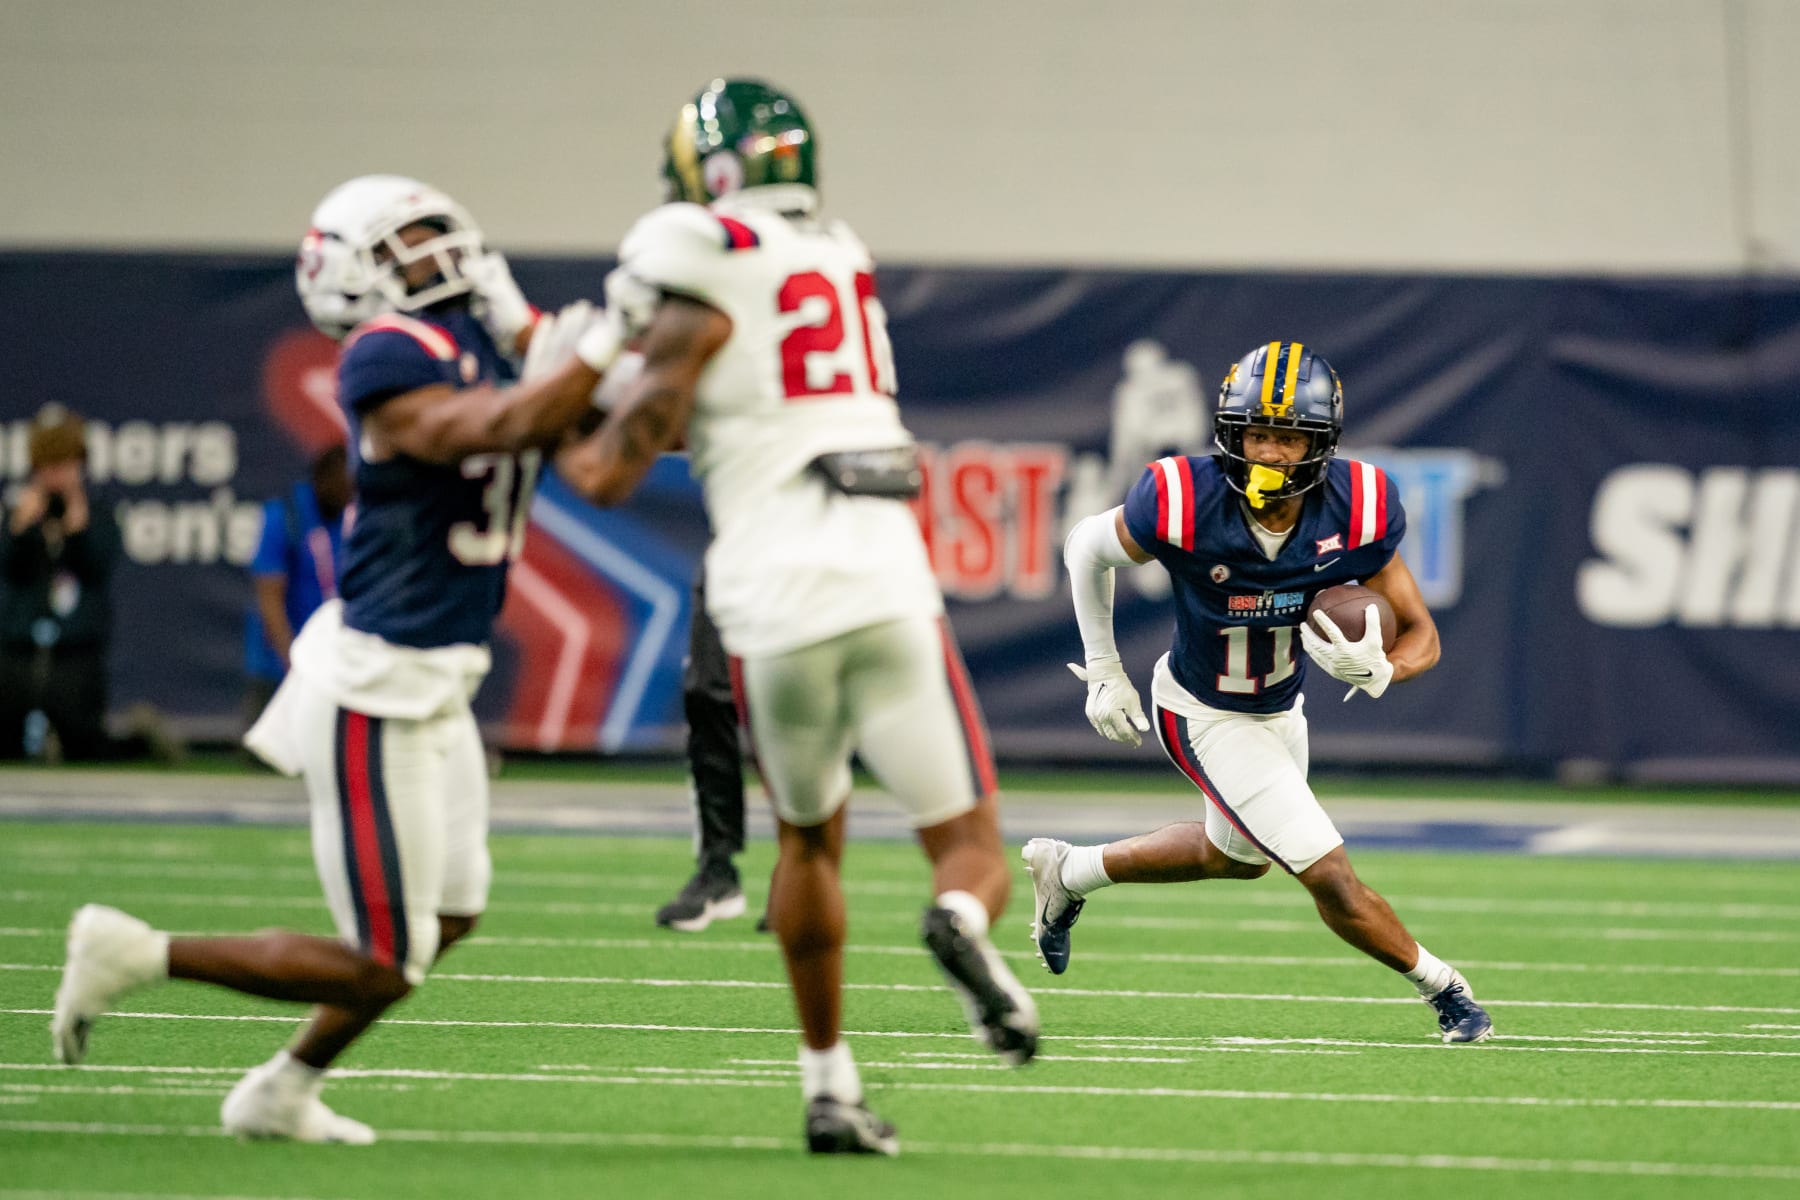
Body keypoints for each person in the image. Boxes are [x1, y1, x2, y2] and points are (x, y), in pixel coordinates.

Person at [48, 174, 626, 1143]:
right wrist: (589, 352)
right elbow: (495, 427)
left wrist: (540, 341)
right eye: (411, 244)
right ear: (355, 275)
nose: (445, 255)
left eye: (439, 235)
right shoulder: (385, 352)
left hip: (442, 679)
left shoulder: (468, 340)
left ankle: (281, 1090)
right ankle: (136, 951)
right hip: (377, 686)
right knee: (387, 959)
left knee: (453, 917)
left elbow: (584, 451)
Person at [555, 78, 1038, 1154]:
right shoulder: (842, 252)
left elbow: (610, 466)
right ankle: (958, 924)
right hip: (882, 575)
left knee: (807, 847)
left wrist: (549, 406)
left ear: (706, 177)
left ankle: (829, 1085)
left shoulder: (692, 258)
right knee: (966, 843)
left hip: (770, 603)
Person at [1024, 341, 1493, 1045]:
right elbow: (1086, 547)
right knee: (1327, 872)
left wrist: (1387, 669)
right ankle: (1449, 992)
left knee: (1234, 859)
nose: (1270, 453)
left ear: (1322, 444)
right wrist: (1102, 669)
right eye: (1257, 434)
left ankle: (1070, 871)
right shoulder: (1185, 497)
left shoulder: (1358, 507)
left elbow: (1422, 632)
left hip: (1280, 708)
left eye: (1289, 437)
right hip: (1203, 712)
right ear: (1230, 433)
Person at [0, 405, 167, 762]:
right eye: (48, 466)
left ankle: (142, 739)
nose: (56, 475)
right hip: (18, 650)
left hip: (75, 654)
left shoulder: (99, 515)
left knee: (87, 747)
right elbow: (11, 570)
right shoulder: (18, 512)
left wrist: (78, 531)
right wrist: (20, 530)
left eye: (65, 465)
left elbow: (96, 570)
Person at [653, 572, 756, 931]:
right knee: (706, 692)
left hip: (808, 558)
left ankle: (804, 865)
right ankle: (718, 868)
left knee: (796, 707)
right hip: (731, 558)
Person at [243, 444, 352, 725]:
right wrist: (293, 660)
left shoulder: (349, 519)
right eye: (344, 487)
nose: (348, 495)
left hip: (332, 658)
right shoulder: (285, 517)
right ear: (323, 479)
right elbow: (270, 599)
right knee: (266, 755)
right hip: (280, 662)